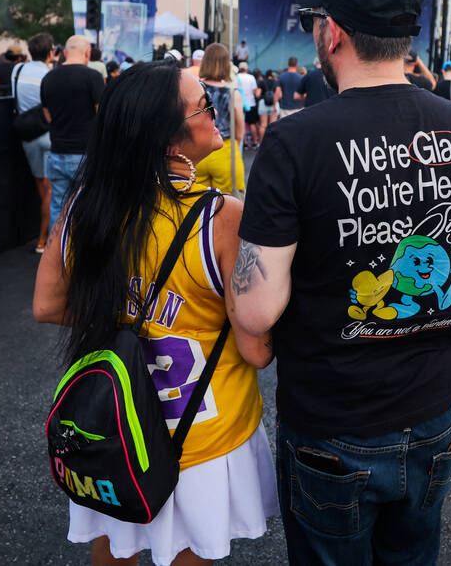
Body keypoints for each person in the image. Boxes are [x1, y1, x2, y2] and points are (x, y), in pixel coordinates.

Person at [231, 0, 451, 565]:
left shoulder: (293, 141)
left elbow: (254, 311)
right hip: (434, 415)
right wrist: (413, 268)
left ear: (331, 32)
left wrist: (348, 270)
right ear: (405, 36)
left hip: (333, 422)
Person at [32, 60, 277, 566]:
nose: (214, 113)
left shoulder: (86, 205)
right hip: (203, 434)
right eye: (202, 105)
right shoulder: (223, 217)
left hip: (116, 423)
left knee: (115, 547)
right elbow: (255, 349)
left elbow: (47, 305)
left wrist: (126, 322)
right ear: (168, 140)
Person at [41, 35, 105, 236]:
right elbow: (102, 115)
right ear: (87, 52)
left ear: (66, 52)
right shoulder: (92, 77)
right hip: (85, 154)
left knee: (58, 210)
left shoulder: (48, 77)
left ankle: (56, 259)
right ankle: (82, 259)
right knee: (89, 209)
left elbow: (47, 116)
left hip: (57, 152)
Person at [13, 32, 57, 253]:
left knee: (42, 187)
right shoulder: (50, 74)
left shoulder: (17, 70)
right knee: (51, 191)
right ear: (50, 52)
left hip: (26, 134)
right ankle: (44, 240)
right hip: (48, 135)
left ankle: (44, 234)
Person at [194, 42, 245, 194]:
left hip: (196, 152)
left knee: (195, 203)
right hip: (224, 150)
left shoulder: (194, 88)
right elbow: (239, 129)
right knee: (226, 205)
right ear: (226, 64)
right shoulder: (232, 93)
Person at [235, 61, 260, 147]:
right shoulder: (251, 77)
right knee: (252, 123)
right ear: (246, 69)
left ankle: (244, 142)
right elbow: (254, 91)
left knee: (242, 123)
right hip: (250, 103)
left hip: (239, 103)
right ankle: (255, 141)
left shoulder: (236, 77)